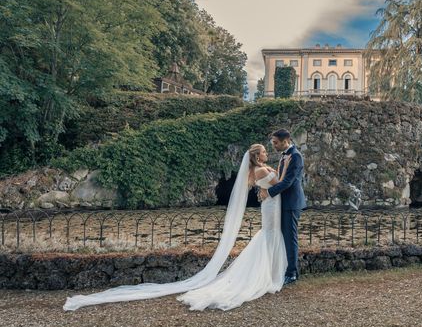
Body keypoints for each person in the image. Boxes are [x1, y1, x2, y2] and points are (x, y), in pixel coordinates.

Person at [63, 143, 289, 311]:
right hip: (271, 206)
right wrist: (285, 167)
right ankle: (266, 275)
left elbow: (274, 181)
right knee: (268, 235)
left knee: (269, 235)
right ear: (256, 156)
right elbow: (279, 183)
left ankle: (270, 272)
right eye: (263, 152)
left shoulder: (260, 169)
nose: (266, 154)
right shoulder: (259, 171)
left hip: (271, 204)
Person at [260, 129, 306, 285]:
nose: (273, 145)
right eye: (273, 142)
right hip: (281, 203)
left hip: (291, 203)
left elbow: (288, 182)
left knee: (290, 238)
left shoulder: (296, 156)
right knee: (281, 236)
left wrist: (269, 192)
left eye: (275, 142)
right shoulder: (285, 156)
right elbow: (281, 178)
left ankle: (292, 273)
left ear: (285, 141)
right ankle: (281, 268)